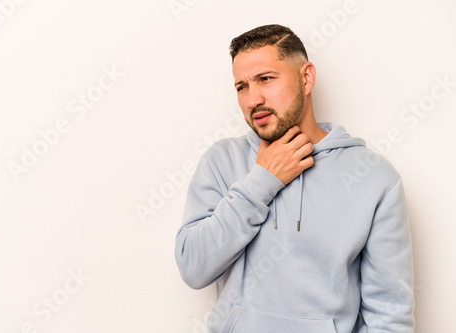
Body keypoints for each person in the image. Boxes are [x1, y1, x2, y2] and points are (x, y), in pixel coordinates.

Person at [175, 24, 414, 332]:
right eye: (241, 87)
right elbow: (193, 267)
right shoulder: (222, 161)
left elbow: (390, 313)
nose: (252, 100)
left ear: (306, 77)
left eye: (265, 79)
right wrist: (262, 180)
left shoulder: (375, 178)